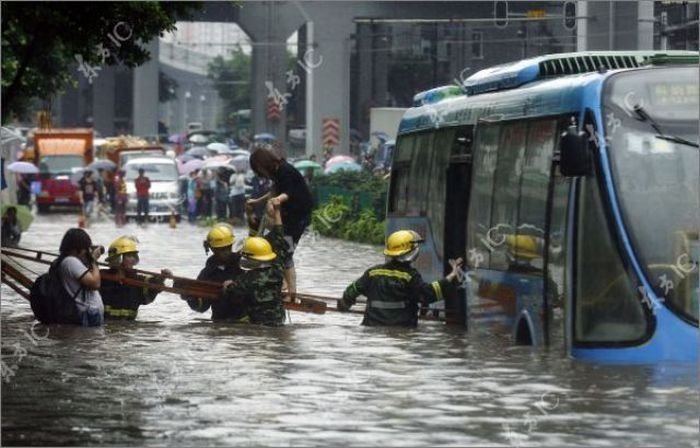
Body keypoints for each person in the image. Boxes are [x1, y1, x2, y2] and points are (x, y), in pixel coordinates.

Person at [337, 230, 464, 327]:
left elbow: (351, 291)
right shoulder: (410, 276)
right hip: (402, 330)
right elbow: (429, 294)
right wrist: (451, 276)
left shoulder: (372, 272)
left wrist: (345, 303)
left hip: (371, 331)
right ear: (411, 253)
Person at [247, 148, 313, 303]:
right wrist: (257, 202)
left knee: (285, 253)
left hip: (298, 217)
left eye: (258, 169)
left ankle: (291, 293)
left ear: (263, 164)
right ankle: (283, 285)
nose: (260, 173)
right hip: (289, 216)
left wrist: (277, 201)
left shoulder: (285, 170)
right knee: (271, 247)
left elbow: (287, 192)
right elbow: (274, 191)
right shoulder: (278, 172)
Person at [222, 202, 288, 326]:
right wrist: (277, 212)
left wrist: (228, 286)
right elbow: (279, 240)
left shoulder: (246, 280)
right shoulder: (277, 270)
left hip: (257, 324)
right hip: (278, 323)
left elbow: (232, 295)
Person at [182, 224, 250, 322]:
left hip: (246, 320)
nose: (225, 252)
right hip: (220, 321)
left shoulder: (245, 265)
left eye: (228, 247)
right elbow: (202, 306)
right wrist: (190, 296)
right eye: (221, 249)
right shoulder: (208, 272)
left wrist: (236, 285)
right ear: (213, 249)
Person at [100, 236, 172, 320]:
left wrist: (161, 278)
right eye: (129, 256)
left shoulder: (136, 280)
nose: (133, 259)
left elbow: (152, 286)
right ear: (118, 259)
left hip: (128, 329)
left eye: (134, 256)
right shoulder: (103, 277)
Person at [56, 228, 105, 326]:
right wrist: (93, 260)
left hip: (88, 314)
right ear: (76, 248)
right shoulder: (70, 261)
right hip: (86, 314)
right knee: (88, 341)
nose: (86, 251)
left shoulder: (68, 262)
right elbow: (95, 283)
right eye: (85, 248)